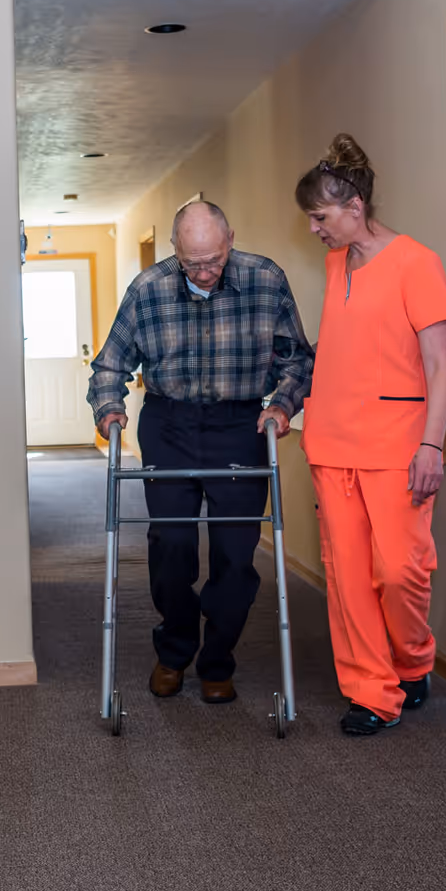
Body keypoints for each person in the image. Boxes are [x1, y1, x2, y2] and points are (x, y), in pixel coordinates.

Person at [88, 198, 314, 704]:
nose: (206, 272)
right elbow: (109, 366)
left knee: (236, 556)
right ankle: (174, 651)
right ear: (175, 251)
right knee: (172, 548)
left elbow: (298, 360)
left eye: (213, 260)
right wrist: (109, 409)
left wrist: (282, 405)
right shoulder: (148, 290)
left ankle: (218, 661)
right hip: (170, 423)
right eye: (193, 263)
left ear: (230, 239)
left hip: (240, 424)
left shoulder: (265, 279)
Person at [294, 135, 446, 736]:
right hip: (332, 444)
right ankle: (371, 691)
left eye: (320, 216)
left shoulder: (416, 262)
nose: (315, 230)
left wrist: (432, 445)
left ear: (354, 205)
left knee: (399, 570)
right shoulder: (337, 264)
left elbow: (442, 364)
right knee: (347, 577)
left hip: (398, 447)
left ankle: (413, 661)